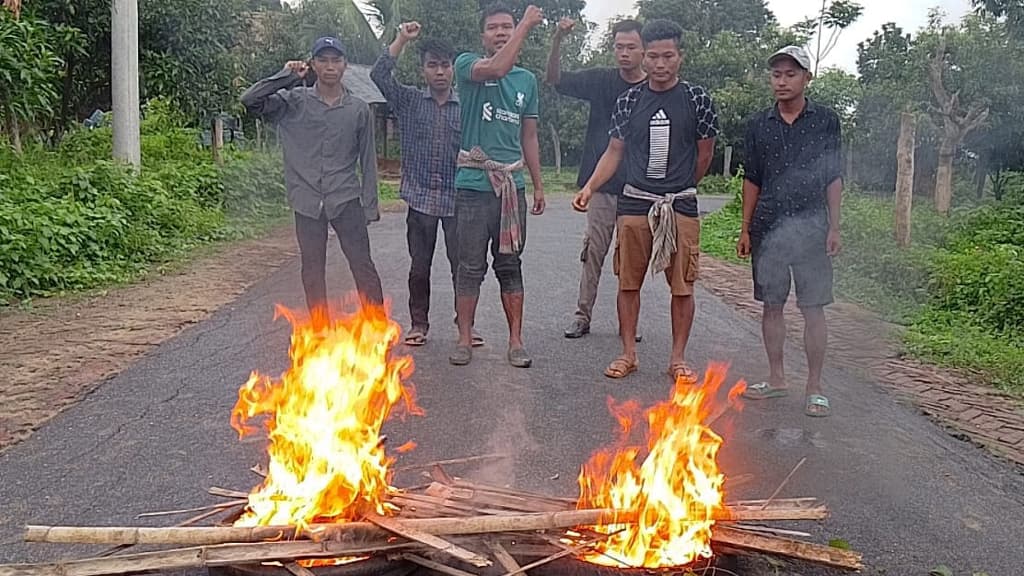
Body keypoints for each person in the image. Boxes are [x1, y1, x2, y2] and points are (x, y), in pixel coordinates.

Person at [572, 19, 719, 382]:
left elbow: (704, 154)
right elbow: (614, 151)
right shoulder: (629, 100)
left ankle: (678, 358)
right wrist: (590, 186)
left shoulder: (697, 99)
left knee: (682, 285)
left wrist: (680, 186)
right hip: (634, 203)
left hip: (680, 204)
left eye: (668, 56)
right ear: (644, 56)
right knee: (628, 281)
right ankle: (627, 353)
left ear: (680, 57)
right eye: (652, 56)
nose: (660, 64)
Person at [241, 37, 383, 328]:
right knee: (312, 269)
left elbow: (368, 161)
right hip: (306, 200)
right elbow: (250, 100)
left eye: (336, 60)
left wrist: (370, 205)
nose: (330, 67)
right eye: (323, 60)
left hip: (345, 198)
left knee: (362, 265)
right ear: (313, 64)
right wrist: (287, 75)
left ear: (345, 65)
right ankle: (320, 329)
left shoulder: (357, 109)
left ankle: (377, 327)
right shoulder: (293, 102)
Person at [736, 45, 843, 418]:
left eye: (790, 74)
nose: (782, 81)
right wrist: (746, 229)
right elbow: (752, 179)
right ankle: (777, 378)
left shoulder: (825, 121)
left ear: (806, 78)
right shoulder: (757, 125)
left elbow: (833, 176)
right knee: (772, 305)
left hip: (813, 228)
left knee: (813, 308)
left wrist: (834, 226)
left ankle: (815, 386)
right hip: (769, 228)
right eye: (776, 74)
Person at [370, 23, 484, 348]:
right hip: (419, 200)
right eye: (432, 65)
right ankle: (419, 323)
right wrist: (402, 39)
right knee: (419, 268)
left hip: (456, 202)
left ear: (453, 69)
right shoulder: (408, 101)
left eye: (445, 65)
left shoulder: (467, 108)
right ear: (423, 70)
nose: (439, 72)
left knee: (462, 269)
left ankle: (466, 326)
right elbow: (378, 75)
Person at [449, 2, 546, 368]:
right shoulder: (468, 64)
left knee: (510, 264)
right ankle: (464, 338)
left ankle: (516, 340)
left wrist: (537, 185)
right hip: (473, 184)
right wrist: (525, 25)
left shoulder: (527, 81)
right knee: (469, 265)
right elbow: (498, 65)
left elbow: (530, 136)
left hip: (511, 187)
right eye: (494, 27)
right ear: (482, 36)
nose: (502, 32)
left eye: (507, 26)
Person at [546, 18, 647, 340]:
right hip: (601, 186)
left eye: (631, 47)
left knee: (632, 259)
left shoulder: (655, 89)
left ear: (644, 49)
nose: (624, 53)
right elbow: (555, 79)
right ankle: (582, 315)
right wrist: (557, 40)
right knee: (593, 253)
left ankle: (628, 322)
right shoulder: (601, 80)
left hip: (641, 189)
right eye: (619, 47)